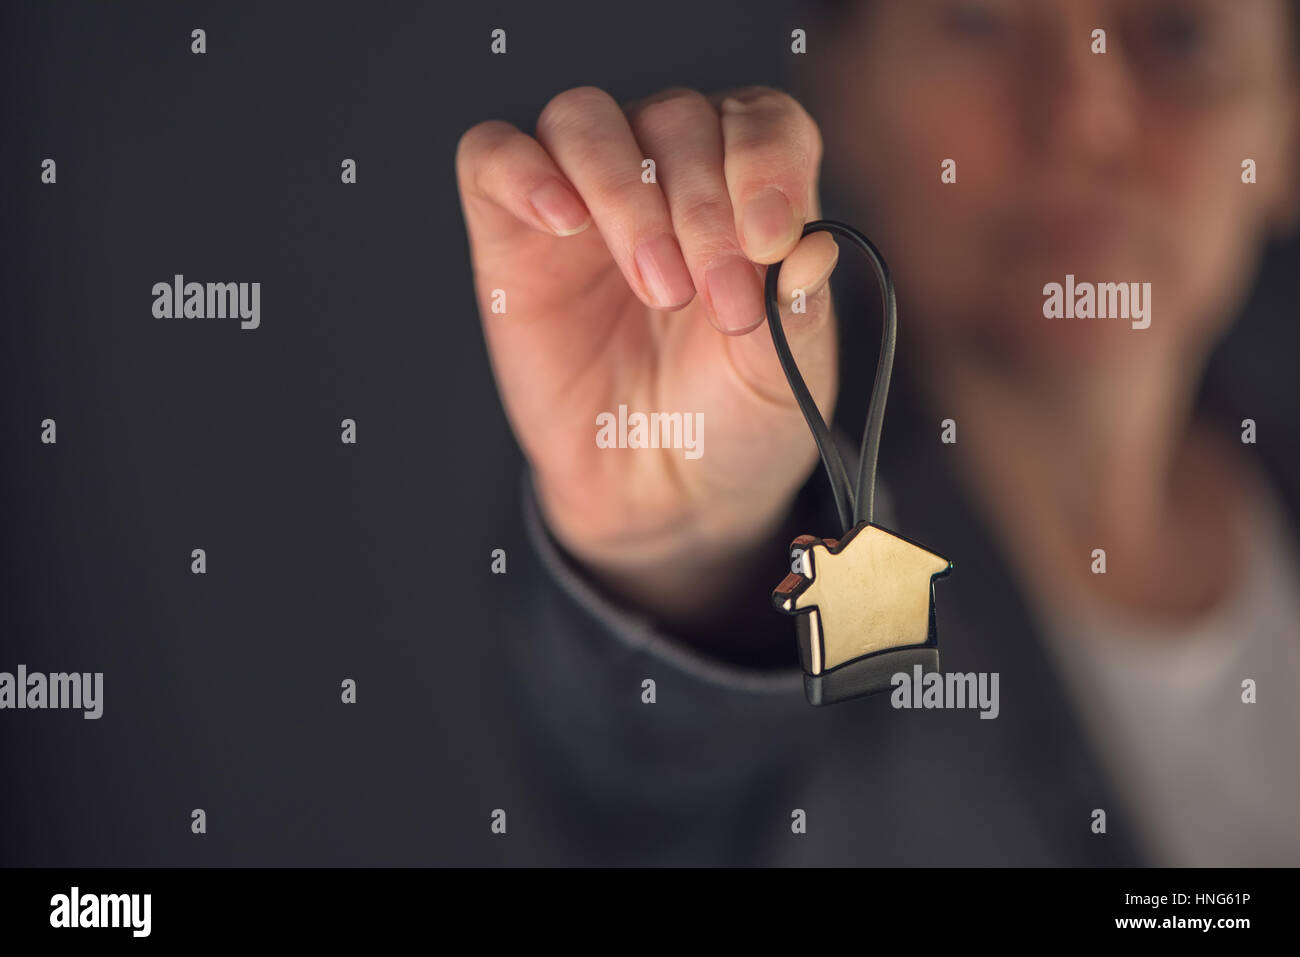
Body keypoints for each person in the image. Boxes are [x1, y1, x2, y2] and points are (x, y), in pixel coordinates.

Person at [454, 0, 1300, 865]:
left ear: (1286, 127)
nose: (1088, 121)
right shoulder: (788, 566)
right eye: (981, 25)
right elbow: (658, 787)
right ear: (846, 89)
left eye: (1181, 34)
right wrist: (678, 550)